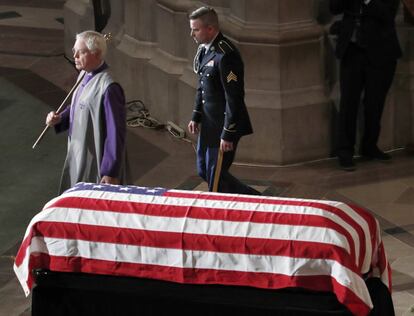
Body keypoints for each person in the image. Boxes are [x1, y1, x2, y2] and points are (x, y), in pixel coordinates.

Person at [187, 6, 260, 195]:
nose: (191, 34)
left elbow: (234, 97)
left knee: (216, 180)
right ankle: (254, 197)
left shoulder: (226, 55)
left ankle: (232, 210)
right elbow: (202, 86)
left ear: (210, 29)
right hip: (208, 124)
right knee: (204, 170)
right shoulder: (204, 50)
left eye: (195, 29)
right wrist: (196, 115)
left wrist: (228, 133)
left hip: (223, 126)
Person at [46, 30, 127, 193]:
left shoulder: (109, 88)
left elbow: (115, 132)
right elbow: (78, 107)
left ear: (96, 54)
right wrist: (59, 119)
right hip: (78, 151)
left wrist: (110, 171)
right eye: (74, 50)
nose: (74, 55)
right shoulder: (83, 74)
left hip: (95, 161)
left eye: (80, 52)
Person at [330, 0, 402, 171]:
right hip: (352, 51)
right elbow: (334, 8)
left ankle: (369, 146)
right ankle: (345, 151)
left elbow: (387, 13)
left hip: (381, 51)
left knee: (374, 103)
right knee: (348, 103)